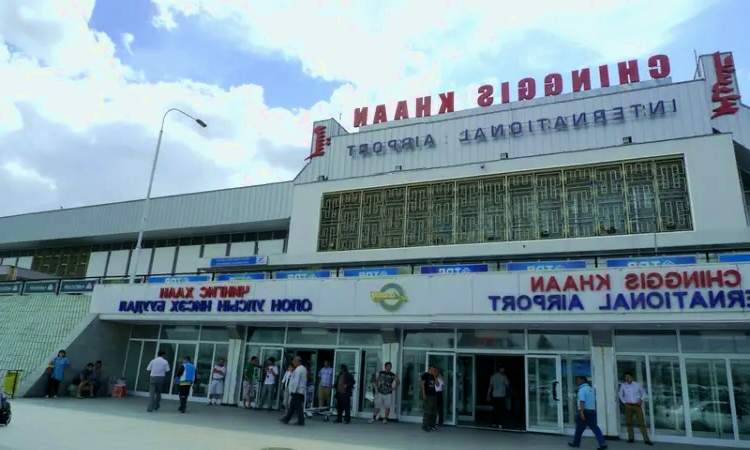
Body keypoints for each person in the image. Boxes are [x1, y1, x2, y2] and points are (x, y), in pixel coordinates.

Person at [569, 376, 607, 450]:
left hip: (584, 411)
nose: (577, 382)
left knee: (579, 429)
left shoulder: (582, 390)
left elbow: (582, 401)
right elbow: (594, 401)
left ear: (583, 380)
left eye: (578, 380)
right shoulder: (591, 389)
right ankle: (602, 443)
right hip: (591, 411)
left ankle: (576, 443)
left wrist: (581, 412)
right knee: (595, 428)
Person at [619, 372, 654, 445]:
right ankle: (631, 438)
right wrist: (624, 402)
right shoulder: (623, 385)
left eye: (628, 377)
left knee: (641, 422)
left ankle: (646, 439)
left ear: (632, 377)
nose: (627, 379)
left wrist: (641, 399)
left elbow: (643, 393)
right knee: (629, 422)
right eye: (626, 377)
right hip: (628, 405)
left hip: (636, 405)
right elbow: (620, 395)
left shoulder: (637, 385)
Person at [279, 356, 307, 426]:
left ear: (297, 362)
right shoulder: (303, 369)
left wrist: (293, 391)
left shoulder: (298, 370)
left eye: (294, 362)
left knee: (298, 407)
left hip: (297, 391)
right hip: (300, 390)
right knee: (292, 406)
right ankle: (286, 419)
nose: (293, 363)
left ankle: (301, 421)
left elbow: (296, 381)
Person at [421, 364, 438, 432]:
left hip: (433, 395)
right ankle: (425, 425)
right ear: (429, 369)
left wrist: (434, 375)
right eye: (431, 369)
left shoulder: (433, 376)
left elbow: (437, 384)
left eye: (433, 370)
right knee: (428, 411)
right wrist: (424, 395)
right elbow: (422, 385)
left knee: (433, 411)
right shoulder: (425, 375)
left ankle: (432, 425)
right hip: (427, 395)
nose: (432, 370)